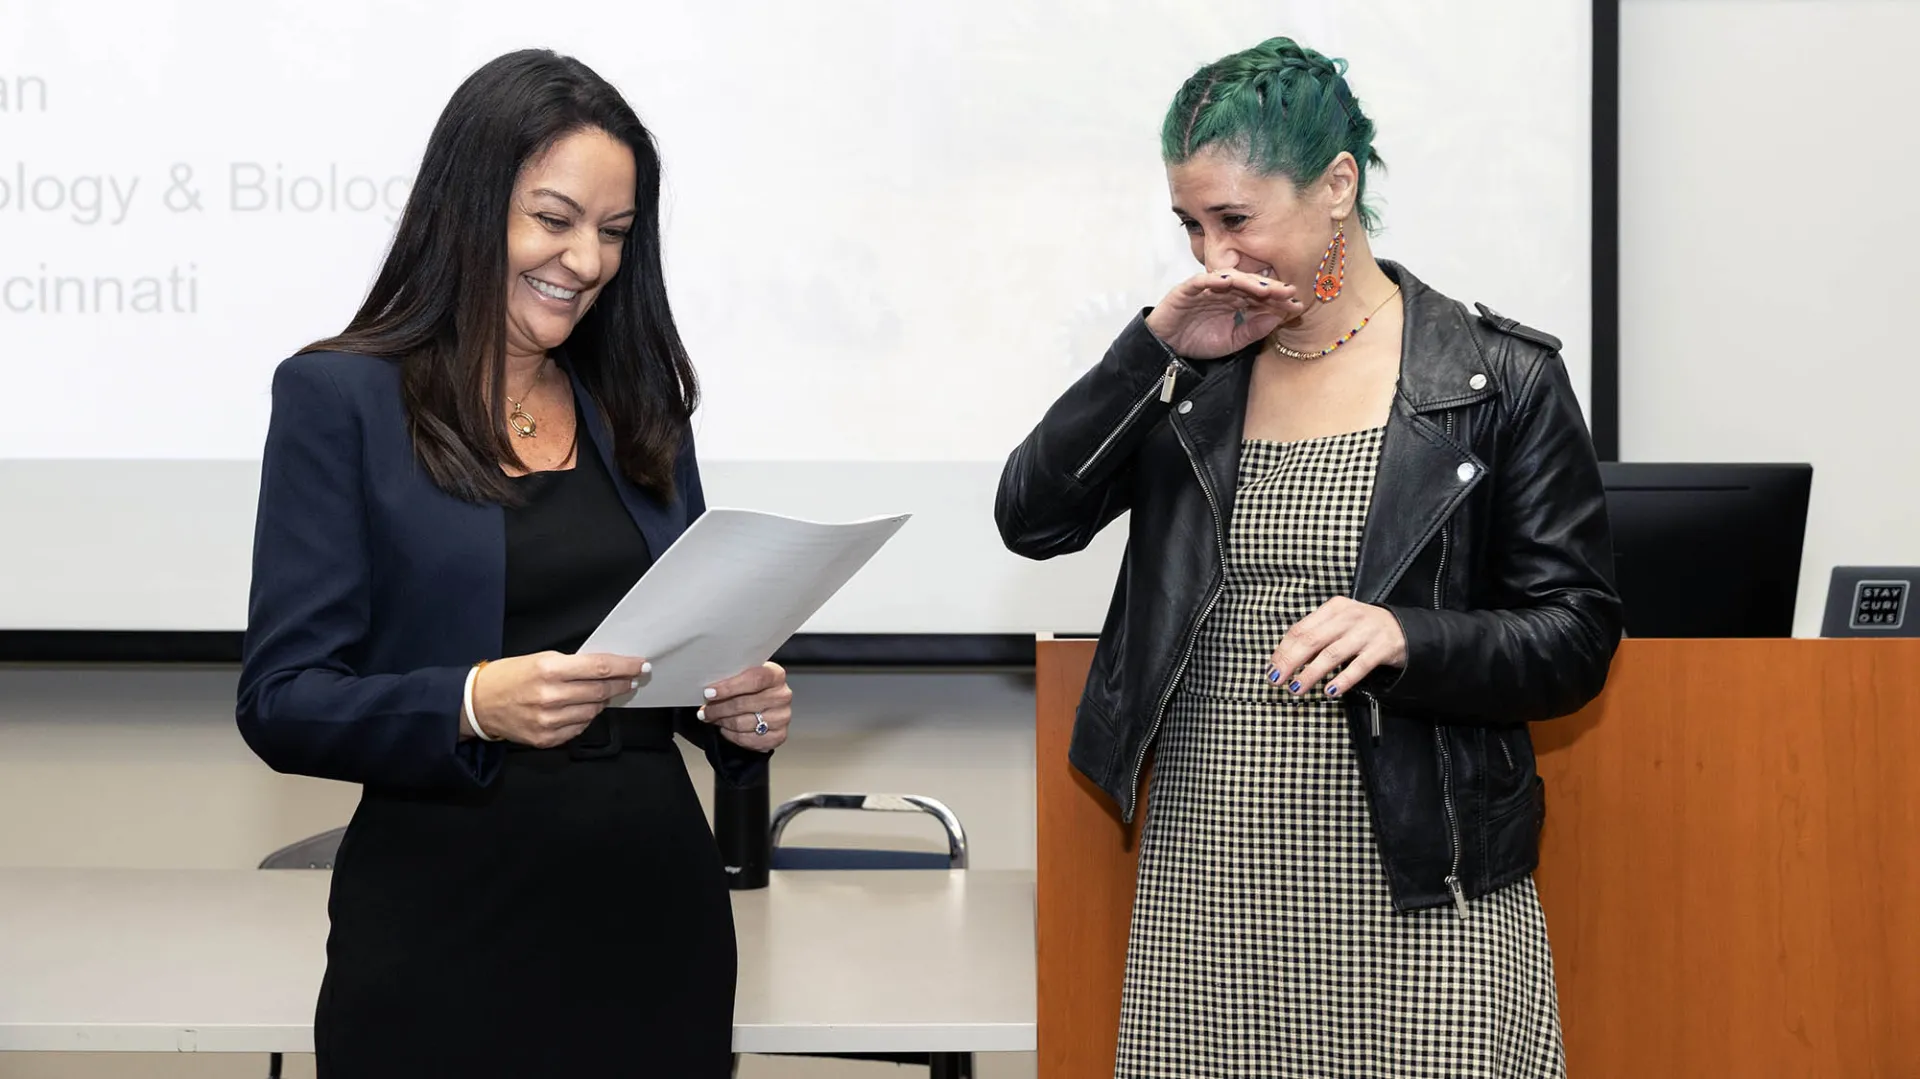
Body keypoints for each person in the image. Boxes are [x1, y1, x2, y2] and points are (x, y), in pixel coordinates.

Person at [996, 36, 1621, 1079]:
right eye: (1191, 224)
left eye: (1235, 219)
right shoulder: (1191, 367)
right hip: (1213, 875)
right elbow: (1033, 516)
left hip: (1423, 888)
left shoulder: (1498, 378)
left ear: (1338, 186)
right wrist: (1150, 351)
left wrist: (1409, 633)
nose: (1212, 256)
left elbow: (1575, 637)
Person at [235, 49, 791, 1078]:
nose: (585, 259)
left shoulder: (642, 409)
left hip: (653, 920)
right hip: (442, 929)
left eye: (615, 233)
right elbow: (281, 698)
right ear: (471, 205)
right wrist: (474, 701)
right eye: (554, 218)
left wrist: (739, 713)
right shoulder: (339, 400)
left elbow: (682, 653)